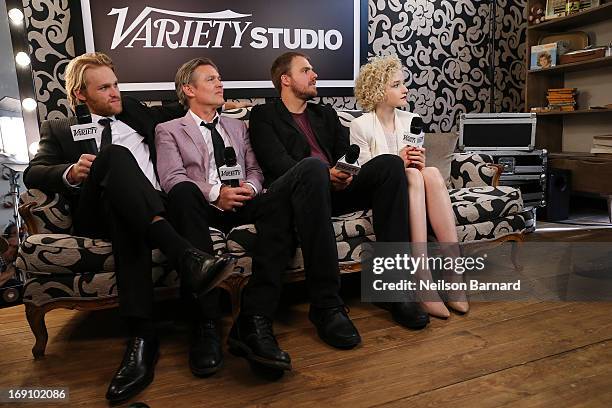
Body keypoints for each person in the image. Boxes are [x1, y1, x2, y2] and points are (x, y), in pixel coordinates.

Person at [23, 52, 230, 403]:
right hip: (96, 211)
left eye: (116, 85)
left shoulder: (135, 112)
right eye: (104, 88)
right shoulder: (59, 128)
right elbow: (33, 171)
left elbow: (185, 113)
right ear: (80, 95)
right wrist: (70, 172)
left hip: (153, 205)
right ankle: (185, 262)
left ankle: (189, 328)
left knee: (182, 191)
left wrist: (220, 104)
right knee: (116, 156)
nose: (115, 93)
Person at [247, 52, 431, 350]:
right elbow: (277, 164)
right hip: (298, 195)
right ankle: (326, 306)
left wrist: (345, 172)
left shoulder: (326, 114)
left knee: (389, 165)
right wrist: (324, 172)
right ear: (285, 79)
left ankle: (394, 288)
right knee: (313, 168)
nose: (315, 75)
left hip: (336, 188)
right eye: (306, 71)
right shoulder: (264, 116)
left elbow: (348, 154)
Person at [155, 58, 294, 374]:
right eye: (211, 79)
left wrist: (250, 187)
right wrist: (216, 193)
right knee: (182, 192)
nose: (220, 84)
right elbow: (172, 178)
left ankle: (255, 320)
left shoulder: (237, 125)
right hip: (201, 207)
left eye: (220, 78)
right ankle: (205, 324)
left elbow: (257, 170)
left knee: (278, 199)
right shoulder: (168, 130)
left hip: (242, 200)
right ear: (189, 89)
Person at [350, 55, 469, 316]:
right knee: (416, 176)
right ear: (379, 90)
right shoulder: (360, 125)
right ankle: (422, 278)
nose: (405, 89)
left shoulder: (410, 119)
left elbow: (417, 166)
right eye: (396, 85)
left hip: (414, 184)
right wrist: (398, 162)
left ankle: (453, 274)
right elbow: (366, 172)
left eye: (403, 83)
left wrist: (418, 160)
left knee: (431, 173)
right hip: (382, 193)